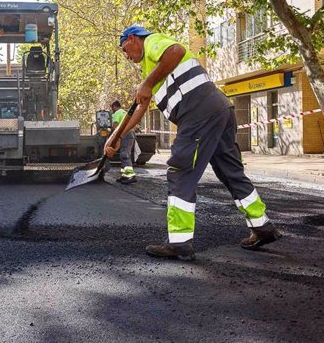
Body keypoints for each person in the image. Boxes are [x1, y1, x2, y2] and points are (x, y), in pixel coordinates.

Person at [106, 25, 282, 261]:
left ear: (132, 38)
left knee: (180, 172)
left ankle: (179, 242)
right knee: (231, 172)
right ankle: (262, 226)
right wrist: (115, 137)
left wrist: (147, 82)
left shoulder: (152, 43)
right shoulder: (152, 69)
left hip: (198, 113)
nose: (125, 55)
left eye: (124, 48)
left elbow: (177, 50)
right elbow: (140, 108)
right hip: (219, 109)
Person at [110, 100, 137, 184]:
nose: (112, 110)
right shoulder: (124, 112)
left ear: (114, 107)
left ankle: (131, 176)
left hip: (126, 134)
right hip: (130, 134)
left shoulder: (117, 113)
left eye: (112, 108)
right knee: (124, 154)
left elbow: (115, 125)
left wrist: (112, 135)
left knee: (124, 154)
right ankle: (125, 175)